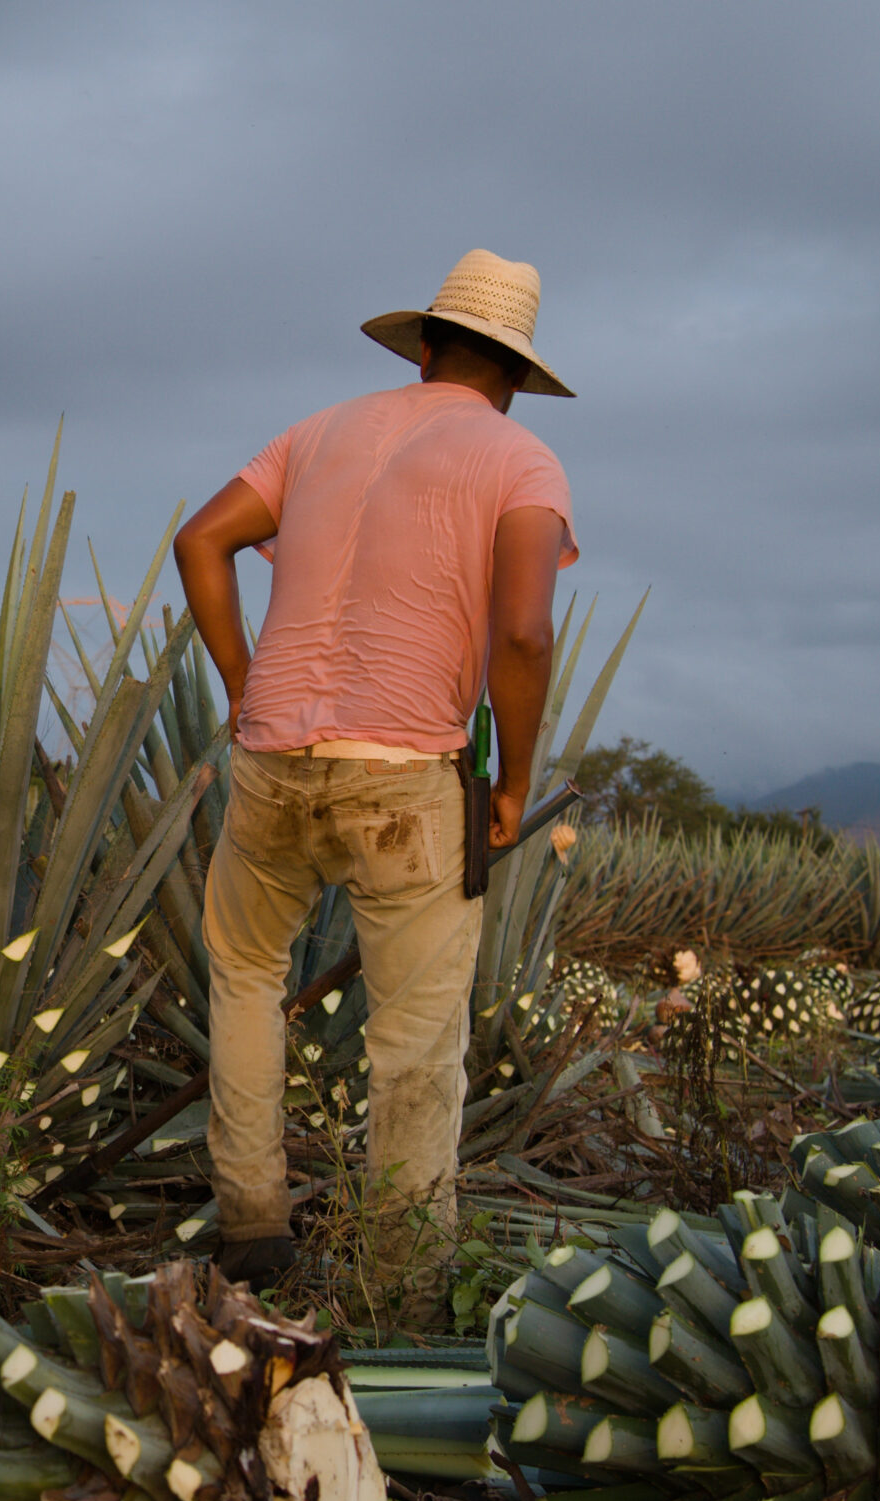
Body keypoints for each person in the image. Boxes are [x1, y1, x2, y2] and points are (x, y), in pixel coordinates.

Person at [172, 249, 576, 1295]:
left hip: (272, 757)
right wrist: (514, 781)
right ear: (517, 373)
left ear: (428, 343)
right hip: (405, 772)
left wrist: (241, 682)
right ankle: (400, 1277)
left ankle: (252, 1224)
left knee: (249, 976)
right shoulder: (519, 461)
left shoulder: (319, 432)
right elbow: (524, 634)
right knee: (413, 1033)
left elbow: (200, 538)